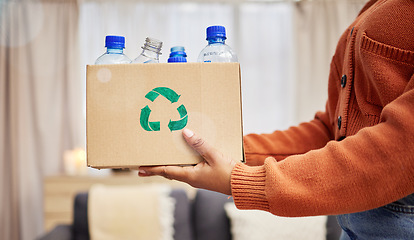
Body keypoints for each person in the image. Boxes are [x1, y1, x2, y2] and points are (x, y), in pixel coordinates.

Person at [139, 0, 414, 238]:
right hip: (357, 224)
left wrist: (242, 180)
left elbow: (404, 146)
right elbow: (330, 130)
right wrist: (226, 147)